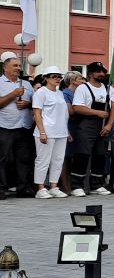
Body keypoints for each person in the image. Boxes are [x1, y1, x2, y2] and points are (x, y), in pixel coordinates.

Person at [69, 61, 113, 196]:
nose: (101, 74)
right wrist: (97, 113)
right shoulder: (83, 88)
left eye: (103, 72)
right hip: (87, 125)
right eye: (98, 72)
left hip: (104, 125)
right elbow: (77, 107)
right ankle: (77, 185)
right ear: (90, 74)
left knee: (100, 155)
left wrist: (109, 125)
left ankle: (96, 184)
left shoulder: (108, 88)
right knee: (82, 154)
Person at [0, 54, 36, 199]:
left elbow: (35, 102)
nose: (18, 68)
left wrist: (27, 104)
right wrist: (13, 94)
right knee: (3, 159)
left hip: (24, 126)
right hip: (5, 126)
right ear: (5, 68)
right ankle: (1, 188)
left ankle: (23, 188)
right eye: (15, 66)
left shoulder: (26, 84)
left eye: (20, 66)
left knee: (24, 159)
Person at [32, 67, 70, 199]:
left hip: (61, 131)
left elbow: (63, 114)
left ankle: (54, 186)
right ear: (46, 78)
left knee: (58, 160)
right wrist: (42, 132)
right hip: (46, 131)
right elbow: (37, 113)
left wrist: (67, 131)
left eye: (59, 77)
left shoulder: (60, 93)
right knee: (43, 160)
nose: (57, 79)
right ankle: (41, 188)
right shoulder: (41, 93)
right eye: (54, 76)